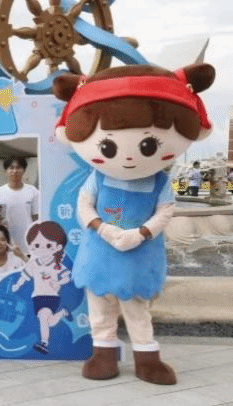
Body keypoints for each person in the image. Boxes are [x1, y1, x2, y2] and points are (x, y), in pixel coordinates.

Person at [53, 63, 215, 385]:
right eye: (108, 146)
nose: (127, 158)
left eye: (148, 145)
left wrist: (141, 233)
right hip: (100, 253)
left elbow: (166, 211)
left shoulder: (158, 182)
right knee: (100, 310)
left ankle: (146, 359)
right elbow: (84, 205)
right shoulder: (97, 177)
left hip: (139, 255)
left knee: (138, 309)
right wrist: (103, 228)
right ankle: (103, 355)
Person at [12, 222, 71, 355]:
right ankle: (62, 313)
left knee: (44, 318)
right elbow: (24, 276)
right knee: (48, 321)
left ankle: (44, 343)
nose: (42, 249)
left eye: (48, 245)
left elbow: (67, 277)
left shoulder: (57, 265)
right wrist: (17, 285)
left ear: (58, 247)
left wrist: (59, 283)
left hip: (52, 297)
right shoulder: (34, 264)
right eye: (37, 245)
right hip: (37, 297)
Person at [0, 156, 39, 250]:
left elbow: (37, 218)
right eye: (11, 168)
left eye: (18, 168)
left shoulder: (33, 191)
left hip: (29, 241)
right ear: (6, 171)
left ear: (24, 171)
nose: (15, 171)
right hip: (6, 242)